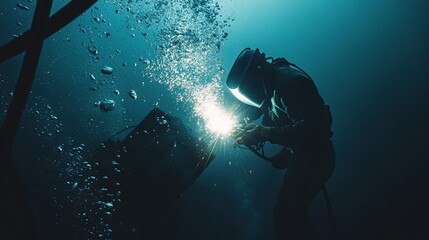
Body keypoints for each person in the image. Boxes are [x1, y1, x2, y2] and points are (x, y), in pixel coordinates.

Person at [227, 48, 335, 240]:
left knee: (289, 220)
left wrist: (264, 133)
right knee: (287, 218)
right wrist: (287, 151)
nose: (251, 95)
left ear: (257, 74)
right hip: (304, 155)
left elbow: (314, 127)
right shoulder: (270, 88)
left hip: (318, 158)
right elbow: (284, 120)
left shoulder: (291, 84)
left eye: (249, 89)